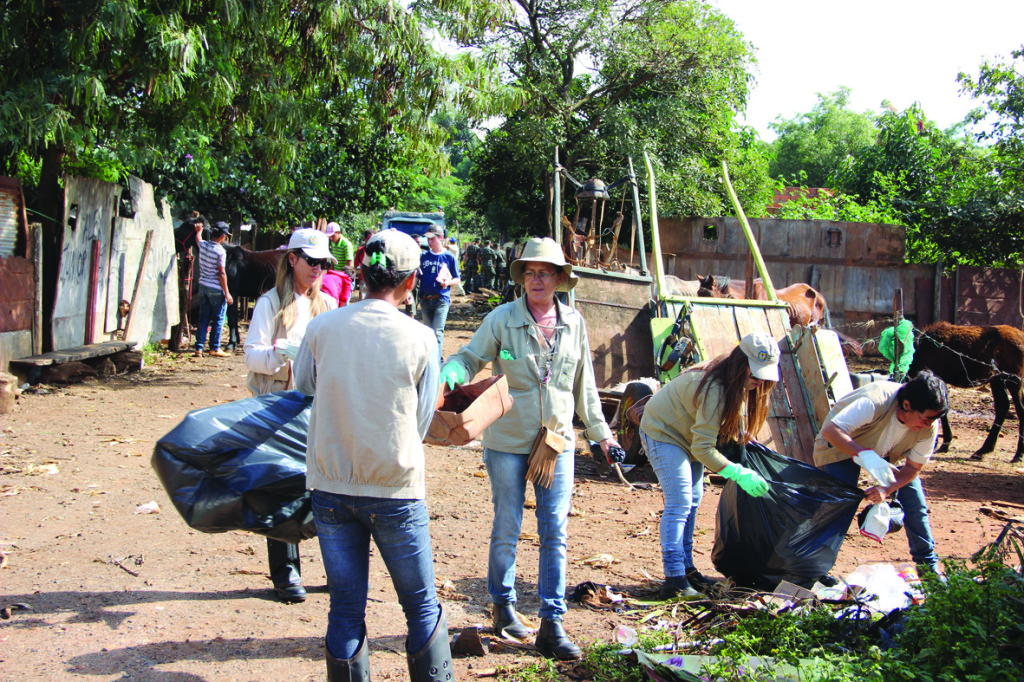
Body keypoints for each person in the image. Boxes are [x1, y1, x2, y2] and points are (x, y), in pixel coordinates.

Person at [441, 237, 621, 661]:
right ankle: (502, 607)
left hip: (555, 443)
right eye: (529, 272)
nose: (536, 280)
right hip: (506, 440)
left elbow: (584, 386)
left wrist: (602, 434)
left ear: (560, 278)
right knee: (507, 524)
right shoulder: (503, 319)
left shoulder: (574, 322)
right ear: (521, 277)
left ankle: (551, 624)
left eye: (545, 272)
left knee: (554, 532)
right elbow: (471, 357)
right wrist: (454, 367)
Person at [293, 229, 450, 681]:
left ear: (359, 272)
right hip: (395, 488)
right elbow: (420, 422)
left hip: (331, 485)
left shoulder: (323, 327)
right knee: (420, 605)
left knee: (344, 607)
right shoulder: (422, 339)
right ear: (410, 281)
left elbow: (304, 386)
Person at [639, 333, 778, 598]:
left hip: (688, 435)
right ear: (740, 362)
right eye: (756, 371)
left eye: (765, 374)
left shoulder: (738, 386)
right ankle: (674, 580)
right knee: (680, 501)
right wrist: (738, 473)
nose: (760, 379)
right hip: (662, 431)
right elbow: (702, 448)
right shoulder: (715, 388)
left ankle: (687, 569)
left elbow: (707, 440)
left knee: (694, 499)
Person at [244, 228, 336, 603]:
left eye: (324, 263)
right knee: (281, 490)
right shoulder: (270, 304)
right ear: (293, 259)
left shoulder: (329, 305)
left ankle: (339, 571)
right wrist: (281, 353)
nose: (318, 269)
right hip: (278, 407)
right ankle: (286, 575)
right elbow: (252, 356)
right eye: (311, 261)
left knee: (330, 489)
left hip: (318, 408)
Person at [814, 370, 948, 576]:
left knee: (915, 503)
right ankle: (817, 569)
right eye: (925, 419)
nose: (928, 425)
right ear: (907, 406)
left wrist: (887, 489)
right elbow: (831, 431)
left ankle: (929, 568)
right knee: (840, 503)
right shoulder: (875, 401)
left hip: (886, 453)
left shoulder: (928, 426)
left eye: (933, 420)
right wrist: (863, 455)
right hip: (841, 446)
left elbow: (912, 468)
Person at [419, 225, 460, 361]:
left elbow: (457, 279)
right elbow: (416, 277)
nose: (429, 242)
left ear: (441, 238)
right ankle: (428, 361)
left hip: (441, 300)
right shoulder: (423, 257)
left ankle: (437, 362)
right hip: (425, 299)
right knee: (428, 333)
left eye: (432, 239)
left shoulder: (449, 257)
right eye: (428, 239)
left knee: (437, 332)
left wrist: (447, 283)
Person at [194, 221, 234, 358]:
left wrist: (198, 231)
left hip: (203, 287)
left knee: (203, 317)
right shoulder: (220, 251)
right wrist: (227, 293)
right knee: (218, 319)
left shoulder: (203, 245)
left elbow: (198, 239)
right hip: (216, 289)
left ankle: (199, 348)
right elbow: (221, 273)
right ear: (223, 237)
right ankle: (214, 348)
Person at [353, 229, 374, 301]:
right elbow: (355, 265)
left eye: (373, 238)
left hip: (374, 278)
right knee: (362, 296)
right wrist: (353, 278)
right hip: (363, 278)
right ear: (365, 239)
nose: (371, 240)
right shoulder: (360, 250)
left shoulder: (377, 251)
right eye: (369, 238)